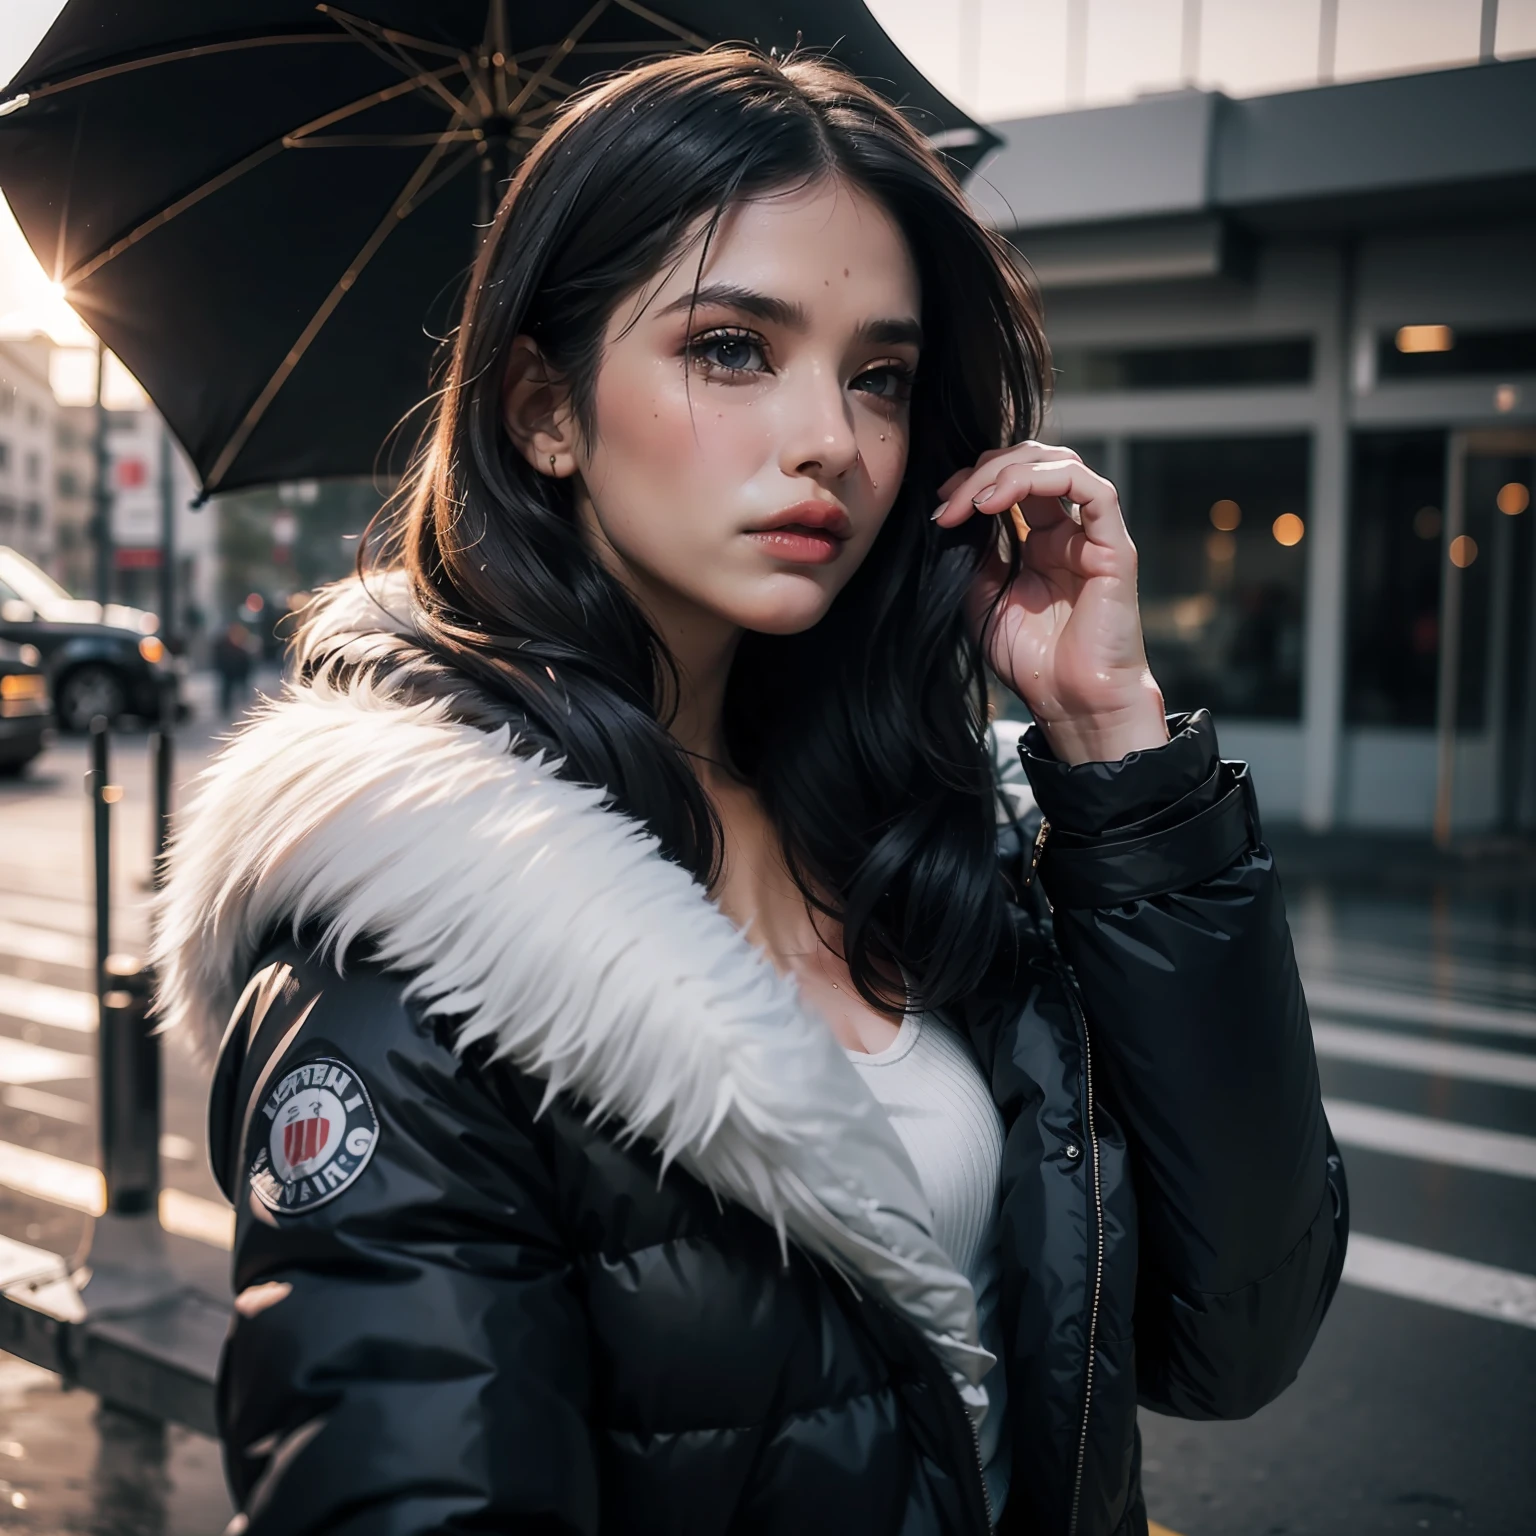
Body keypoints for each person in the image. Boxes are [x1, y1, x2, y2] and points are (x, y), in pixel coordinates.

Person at [154, 48, 1346, 1536]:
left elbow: (1238, 1335)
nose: (831, 441)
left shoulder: (941, 840)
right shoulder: (411, 942)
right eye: (731, 347)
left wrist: (1114, 743)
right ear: (543, 409)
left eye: (882, 378)